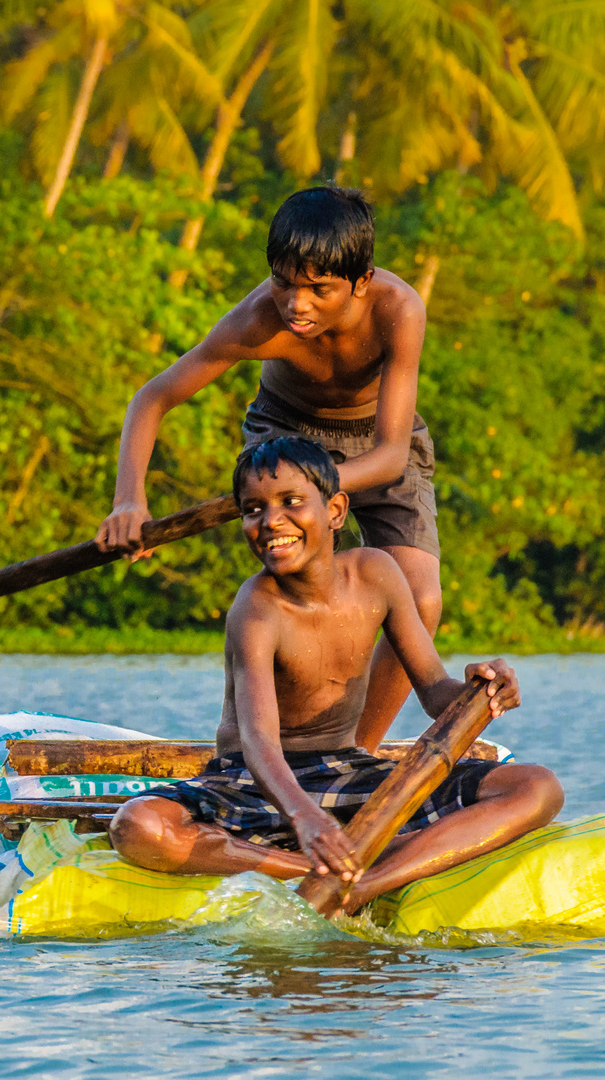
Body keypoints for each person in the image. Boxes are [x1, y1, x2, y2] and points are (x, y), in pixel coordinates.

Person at [108, 437, 564, 915]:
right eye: (252, 509)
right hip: (254, 780)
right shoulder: (257, 607)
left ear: (336, 510)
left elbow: (434, 691)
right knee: (138, 826)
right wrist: (305, 819)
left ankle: (365, 884)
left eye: (292, 502)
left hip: (346, 773)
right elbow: (258, 740)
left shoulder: (377, 573)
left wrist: (480, 686)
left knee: (537, 787)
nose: (272, 522)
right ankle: (306, 867)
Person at [95, 186, 441, 751]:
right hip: (284, 433)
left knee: (422, 597)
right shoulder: (259, 320)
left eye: (318, 289)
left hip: (376, 446)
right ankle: (259, 748)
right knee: (293, 597)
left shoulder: (398, 310)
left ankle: (356, 755)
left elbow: (392, 455)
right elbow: (152, 398)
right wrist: (128, 500)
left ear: (360, 281)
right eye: (284, 283)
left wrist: (318, 485)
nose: (296, 305)